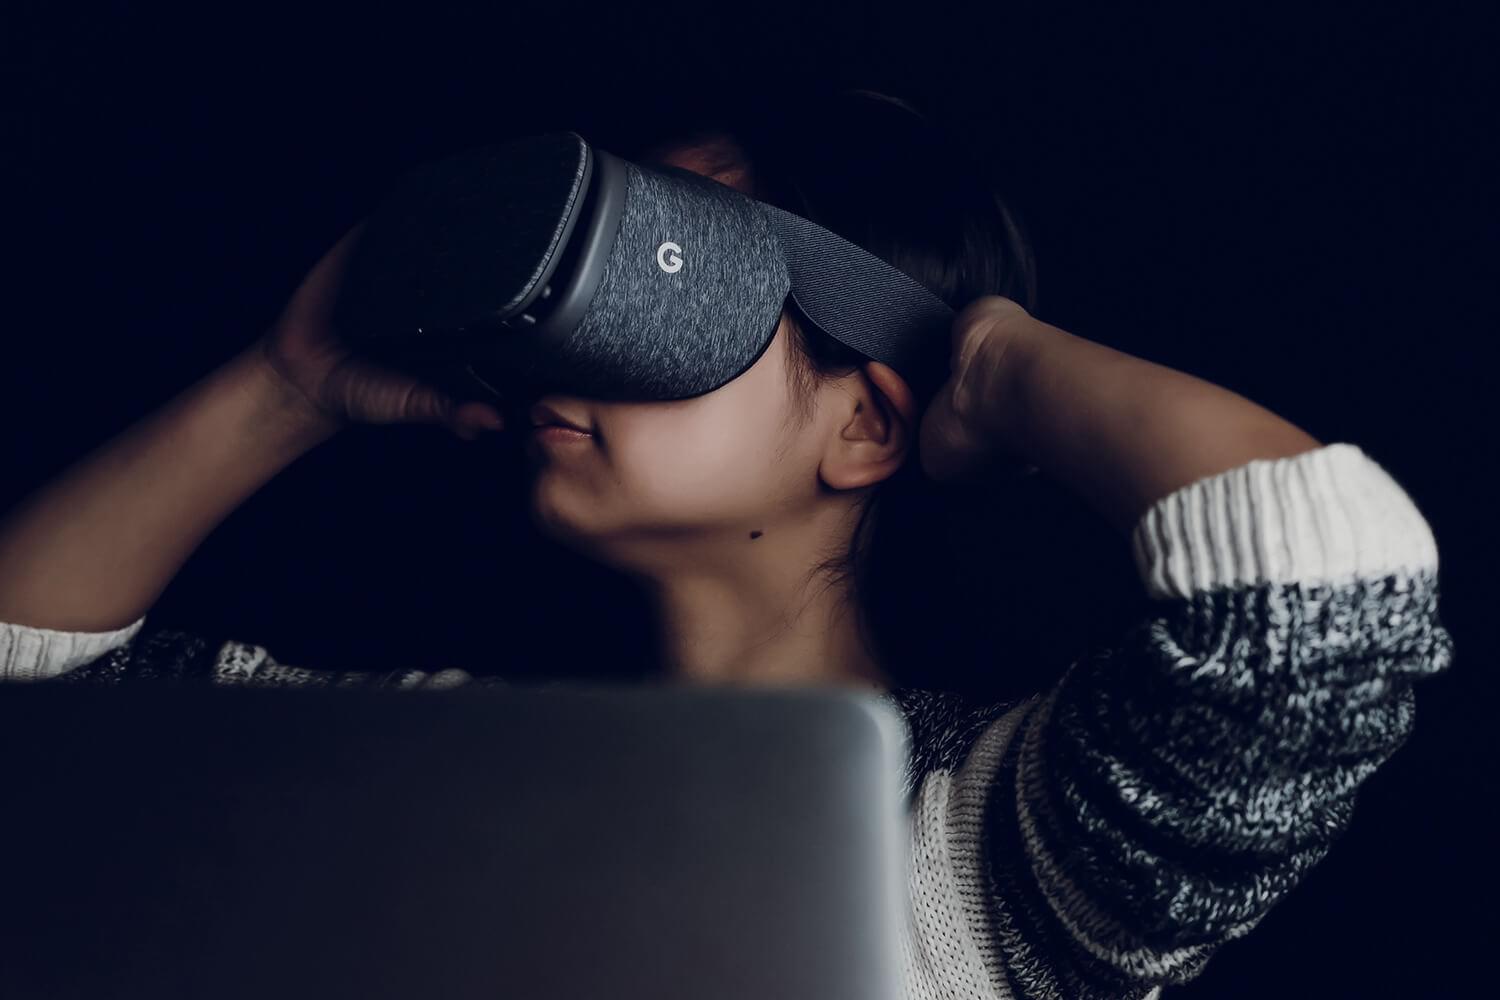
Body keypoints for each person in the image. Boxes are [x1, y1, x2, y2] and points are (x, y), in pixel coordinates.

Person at [0, 89, 1456, 999]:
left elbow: (1323, 596)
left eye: (672, 279)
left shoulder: (987, 859)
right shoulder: (429, 768)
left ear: (867, 427)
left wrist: (992, 362)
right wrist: (285, 385)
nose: (567, 350)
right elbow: (30, 725)